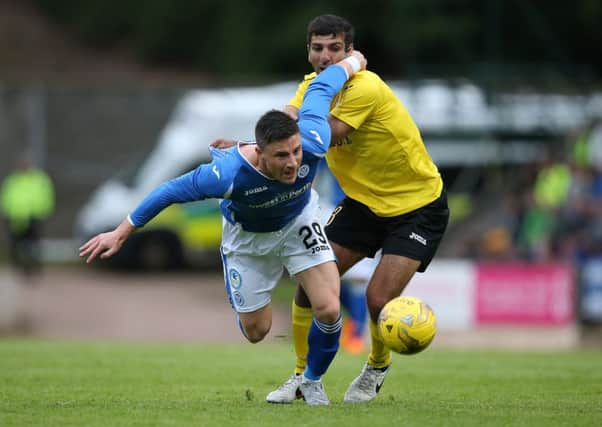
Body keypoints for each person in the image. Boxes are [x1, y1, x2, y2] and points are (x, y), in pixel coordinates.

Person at [79, 51, 367, 406]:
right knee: (257, 332)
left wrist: (353, 62)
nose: (293, 162)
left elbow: (322, 88)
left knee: (328, 307)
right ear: (259, 153)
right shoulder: (226, 174)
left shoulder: (313, 138)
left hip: (298, 222)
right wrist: (120, 232)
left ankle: (311, 381)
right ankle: (246, 295)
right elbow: (167, 191)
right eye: (281, 156)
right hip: (247, 241)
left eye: (295, 152)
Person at [267, 14, 449, 404]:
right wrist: (246, 146)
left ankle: (376, 367)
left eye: (335, 48)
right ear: (309, 51)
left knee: (378, 300)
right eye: (318, 48)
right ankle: (301, 377)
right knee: (309, 283)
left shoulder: (365, 87)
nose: (325, 56)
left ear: (351, 53)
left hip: (418, 206)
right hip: (364, 206)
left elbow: (322, 136)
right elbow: (283, 126)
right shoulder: (310, 89)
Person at [0, 155, 55, 278]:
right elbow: (6, 197)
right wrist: (6, 213)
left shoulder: (40, 179)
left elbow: (46, 196)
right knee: (15, 245)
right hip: (15, 217)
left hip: (34, 216)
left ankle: (34, 268)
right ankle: (19, 268)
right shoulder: (12, 180)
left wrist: (43, 212)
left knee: (34, 245)